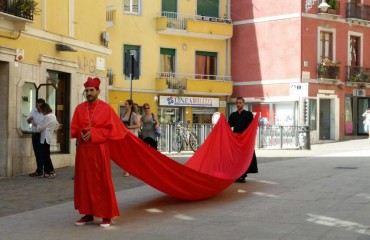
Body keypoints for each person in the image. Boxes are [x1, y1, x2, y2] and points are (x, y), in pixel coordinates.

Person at [71, 77, 127, 228]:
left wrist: (94, 133)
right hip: (83, 152)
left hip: (99, 151)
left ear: (98, 91)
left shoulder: (106, 108)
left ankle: (106, 215)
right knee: (84, 182)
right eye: (87, 91)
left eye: (91, 90)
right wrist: (79, 133)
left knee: (101, 182)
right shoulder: (79, 108)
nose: (89, 93)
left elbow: (113, 130)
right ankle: (88, 214)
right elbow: (74, 128)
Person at [228, 97, 258, 183]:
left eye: (240, 103)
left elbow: (252, 127)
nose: (238, 104)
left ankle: (243, 175)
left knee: (245, 156)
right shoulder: (233, 115)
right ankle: (237, 175)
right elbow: (228, 126)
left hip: (245, 139)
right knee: (236, 157)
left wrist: (250, 138)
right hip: (236, 139)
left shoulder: (248, 114)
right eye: (237, 103)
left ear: (243, 103)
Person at [31, 103, 59, 178]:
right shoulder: (53, 115)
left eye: (42, 110)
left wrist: (34, 123)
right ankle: (47, 172)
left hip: (44, 138)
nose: (42, 112)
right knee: (46, 155)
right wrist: (51, 130)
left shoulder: (47, 117)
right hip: (48, 137)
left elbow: (41, 128)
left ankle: (51, 171)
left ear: (45, 109)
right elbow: (57, 125)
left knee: (45, 156)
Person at [120, 99, 140, 176]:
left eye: (126, 104)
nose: (125, 105)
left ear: (130, 105)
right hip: (124, 135)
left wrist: (129, 127)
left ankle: (128, 170)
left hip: (131, 135)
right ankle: (126, 169)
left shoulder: (134, 114)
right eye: (125, 104)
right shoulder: (124, 113)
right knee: (125, 153)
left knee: (129, 153)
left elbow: (138, 125)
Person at [27, 98, 45, 177]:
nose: (38, 108)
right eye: (37, 106)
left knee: (40, 152)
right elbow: (27, 121)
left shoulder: (45, 113)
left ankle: (40, 170)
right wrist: (29, 120)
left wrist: (34, 123)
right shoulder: (33, 111)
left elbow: (42, 126)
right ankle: (39, 169)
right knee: (36, 152)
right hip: (34, 134)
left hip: (41, 134)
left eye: (40, 106)